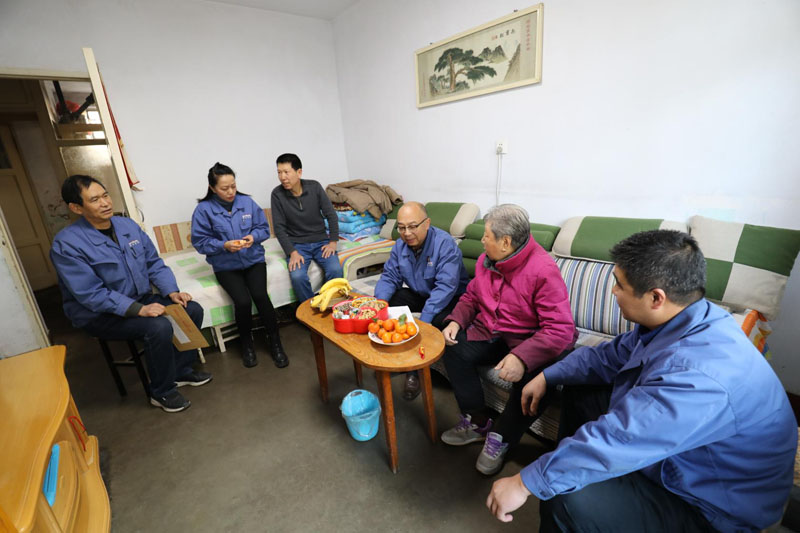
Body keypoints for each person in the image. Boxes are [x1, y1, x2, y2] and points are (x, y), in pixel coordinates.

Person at [486, 230, 797, 532]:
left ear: (656, 297)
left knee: (566, 499)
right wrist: (547, 375)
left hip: (710, 506)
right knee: (581, 389)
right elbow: (606, 357)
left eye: (619, 285)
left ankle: (571, 488)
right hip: (683, 458)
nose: (613, 292)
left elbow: (621, 437)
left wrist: (526, 482)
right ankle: (574, 467)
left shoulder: (698, 376)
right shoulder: (684, 319)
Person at [50, 175, 211, 413]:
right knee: (158, 327)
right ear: (76, 208)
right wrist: (139, 310)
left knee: (191, 309)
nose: (105, 203)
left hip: (139, 298)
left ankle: (180, 371)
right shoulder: (67, 244)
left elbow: (153, 263)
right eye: (95, 200)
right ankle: (161, 392)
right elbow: (91, 294)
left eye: (105, 195)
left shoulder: (127, 226)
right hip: (99, 314)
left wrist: (172, 291)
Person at [440, 204, 577, 475]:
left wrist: (522, 358)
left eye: (486, 235)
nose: (482, 240)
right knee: (455, 348)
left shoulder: (543, 269)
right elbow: (472, 297)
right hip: (495, 331)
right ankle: (478, 421)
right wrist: (456, 321)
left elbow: (559, 329)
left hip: (534, 340)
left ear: (505, 242)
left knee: (538, 380)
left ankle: (502, 438)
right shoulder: (486, 260)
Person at [191, 162, 288, 369]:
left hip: (253, 260)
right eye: (224, 188)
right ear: (212, 188)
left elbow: (263, 228)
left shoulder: (247, 203)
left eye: (233, 186)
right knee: (242, 302)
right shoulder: (203, 210)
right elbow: (200, 242)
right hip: (226, 266)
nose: (231, 192)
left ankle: (276, 342)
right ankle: (247, 344)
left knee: (260, 296)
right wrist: (223, 245)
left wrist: (253, 237)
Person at [374, 201, 470, 400]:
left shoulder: (445, 245)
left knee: (435, 321)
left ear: (427, 223)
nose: (407, 233)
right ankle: (396, 354)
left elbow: (445, 287)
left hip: (450, 299)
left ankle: (414, 371)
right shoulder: (400, 245)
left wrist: (424, 319)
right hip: (422, 293)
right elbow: (390, 276)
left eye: (412, 226)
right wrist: (379, 305)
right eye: (401, 228)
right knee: (393, 300)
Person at [270, 153, 343, 303]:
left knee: (335, 270)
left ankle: (329, 303)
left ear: (299, 172)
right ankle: (310, 309)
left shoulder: (314, 187)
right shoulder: (277, 194)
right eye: (279, 172)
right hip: (297, 245)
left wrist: (333, 242)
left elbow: (331, 215)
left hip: (321, 241)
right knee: (297, 276)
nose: (282, 177)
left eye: (286, 172)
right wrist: (292, 252)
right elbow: (278, 228)